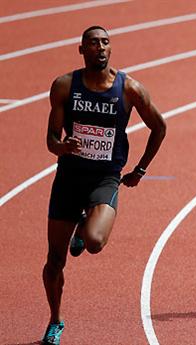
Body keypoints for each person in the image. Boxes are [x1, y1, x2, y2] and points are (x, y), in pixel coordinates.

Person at [41, 26, 166, 344]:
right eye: (93, 43)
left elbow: (159, 127)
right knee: (55, 260)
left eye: (105, 42)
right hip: (68, 179)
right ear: (81, 50)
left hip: (105, 178)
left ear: (111, 49)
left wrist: (139, 169)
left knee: (95, 241)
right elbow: (51, 139)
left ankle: (83, 227)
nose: (100, 47)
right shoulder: (65, 86)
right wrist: (62, 147)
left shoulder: (129, 89)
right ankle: (55, 320)